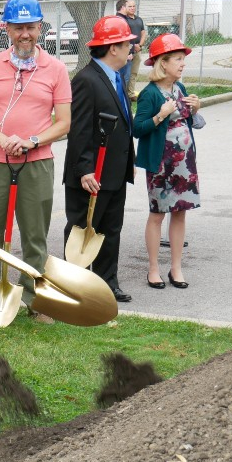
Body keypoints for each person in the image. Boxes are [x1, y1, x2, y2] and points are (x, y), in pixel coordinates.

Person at [0, 0, 71, 324]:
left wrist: (32, 141)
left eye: (31, 27)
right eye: (18, 27)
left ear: (41, 29)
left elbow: (64, 122)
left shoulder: (56, 69)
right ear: (6, 29)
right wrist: (3, 139)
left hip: (36, 163)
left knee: (35, 233)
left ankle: (37, 300)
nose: (25, 34)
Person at [64, 16, 136, 304]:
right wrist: (84, 169)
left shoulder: (116, 77)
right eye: (126, 44)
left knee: (110, 229)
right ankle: (74, 286)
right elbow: (78, 129)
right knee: (83, 228)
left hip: (116, 171)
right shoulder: (86, 80)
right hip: (90, 175)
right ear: (112, 48)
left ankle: (107, 283)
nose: (131, 48)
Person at [133, 33, 201, 290]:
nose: (183, 64)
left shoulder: (180, 89)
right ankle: (153, 269)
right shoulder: (150, 94)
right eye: (178, 59)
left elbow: (190, 122)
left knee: (180, 213)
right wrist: (160, 116)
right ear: (163, 63)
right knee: (157, 215)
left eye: (183, 59)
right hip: (161, 164)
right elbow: (137, 128)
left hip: (184, 163)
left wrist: (196, 108)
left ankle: (176, 268)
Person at [115, 0, 147, 101]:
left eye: (134, 6)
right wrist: (131, 49)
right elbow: (125, 37)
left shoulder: (138, 19)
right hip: (128, 51)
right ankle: (122, 96)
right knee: (124, 75)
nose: (132, 8)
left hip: (136, 50)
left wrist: (139, 46)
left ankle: (130, 93)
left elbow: (143, 33)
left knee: (133, 73)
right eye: (129, 6)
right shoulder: (122, 20)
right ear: (124, 7)